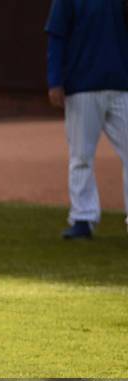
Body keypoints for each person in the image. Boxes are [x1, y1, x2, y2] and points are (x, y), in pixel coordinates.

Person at [45, 0, 128, 239]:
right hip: (82, 86)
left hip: (122, 85)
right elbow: (56, 36)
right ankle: (83, 217)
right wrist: (55, 80)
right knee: (81, 155)